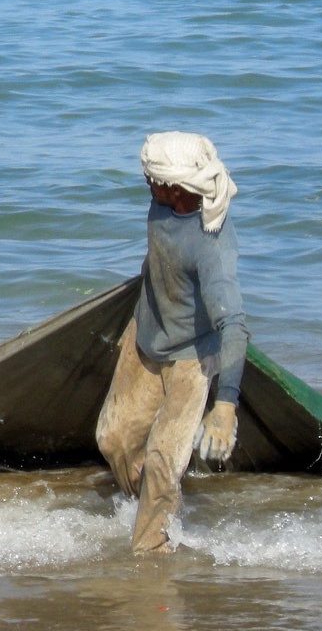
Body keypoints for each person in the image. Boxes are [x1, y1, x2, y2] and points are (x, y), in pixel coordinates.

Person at [95, 131, 248, 553]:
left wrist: (226, 408)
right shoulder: (163, 202)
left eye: (152, 178)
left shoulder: (211, 246)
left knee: (163, 460)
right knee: (113, 438)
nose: (146, 182)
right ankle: (144, 507)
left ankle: (150, 554)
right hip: (147, 333)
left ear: (178, 187)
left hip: (192, 357)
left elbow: (234, 324)